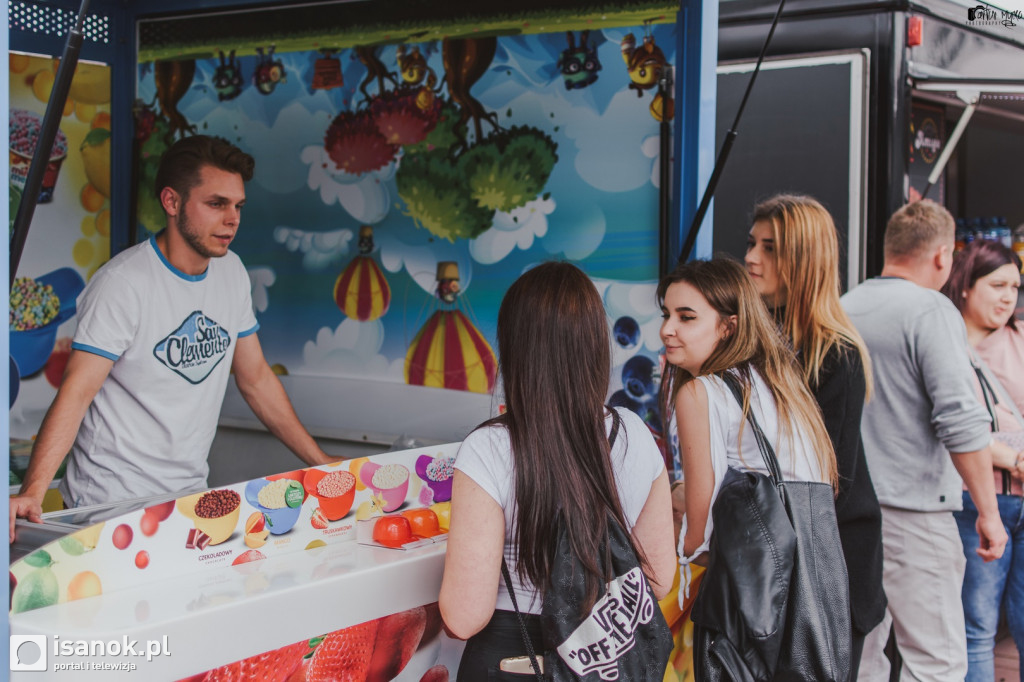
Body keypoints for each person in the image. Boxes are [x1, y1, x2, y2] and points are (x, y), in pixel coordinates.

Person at [10, 135, 340, 541]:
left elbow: (255, 379)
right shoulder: (123, 283)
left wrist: (320, 461)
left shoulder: (232, 272)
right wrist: (33, 492)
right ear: (172, 202)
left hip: (188, 500)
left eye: (238, 206)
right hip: (109, 506)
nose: (232, 219)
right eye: (216, 204)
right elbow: (76, 392)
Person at [439, 262, 676, 680]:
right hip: (603, 659)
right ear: (594, 345)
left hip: (513, 658)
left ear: (515, 349)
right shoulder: (633, 434)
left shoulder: (488, 449)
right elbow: (657, 581)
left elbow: (463, 617)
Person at [840, 199, 1008, 682]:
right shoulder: (930, 310)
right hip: (915, 512)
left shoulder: (846, 307)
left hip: (853, 511)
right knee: (935, 661)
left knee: (867, 656)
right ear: (942, 256)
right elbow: (959, 420)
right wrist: (989, 515)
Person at [744, 194, 885, 677]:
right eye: (752, 243)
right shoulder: (756, 340)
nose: (751, 257)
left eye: (770, 247)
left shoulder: (834, 353)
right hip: (772, 566)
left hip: (828, 571)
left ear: (803, 259)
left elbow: (825, 486)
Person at [658, 257, 837, 590]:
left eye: (687, 317)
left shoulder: (700, 392)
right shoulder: (779, 382)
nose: (667, 329)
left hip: (749, 595)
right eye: (666, 314)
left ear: (729, 326)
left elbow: (699, 538)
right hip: (809, 585)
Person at [940, 239, 1024, 682]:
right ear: (967, 287)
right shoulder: (945, 344)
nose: (1008, 296)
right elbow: (948, 422)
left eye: (1015, 286)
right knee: (976, 627)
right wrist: (1010, 457)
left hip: (1021, 501)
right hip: (974, 500)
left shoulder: (1021, 339)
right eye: (997, 285)